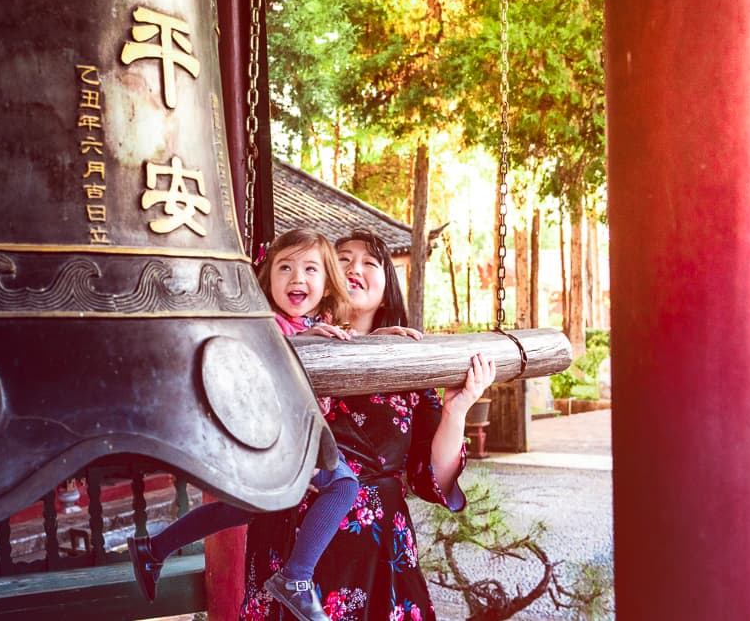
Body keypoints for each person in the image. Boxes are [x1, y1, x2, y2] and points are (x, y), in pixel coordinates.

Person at [239, 228, 496, 621]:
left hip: (376, 547)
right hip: (289, 535)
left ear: (386, 286)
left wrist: (455, 410)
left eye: (369, 262)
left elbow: (433, 478)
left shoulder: (409, 364)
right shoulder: (286, 338)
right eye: (342, 260)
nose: (353, 268)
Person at [129, 229, 363, 621]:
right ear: (268, 277)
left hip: (288, 437)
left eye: (310, 269)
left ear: (326, 284)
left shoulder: (315, 323)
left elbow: (353, 350)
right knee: (343, 484)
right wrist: (303, 341)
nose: (297, 278)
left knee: (244, 510)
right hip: (273, 435)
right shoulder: (264, 322)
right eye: (284, 267)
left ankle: (153, 548)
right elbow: (261, 354)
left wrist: (382, 338)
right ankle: (297, 577)